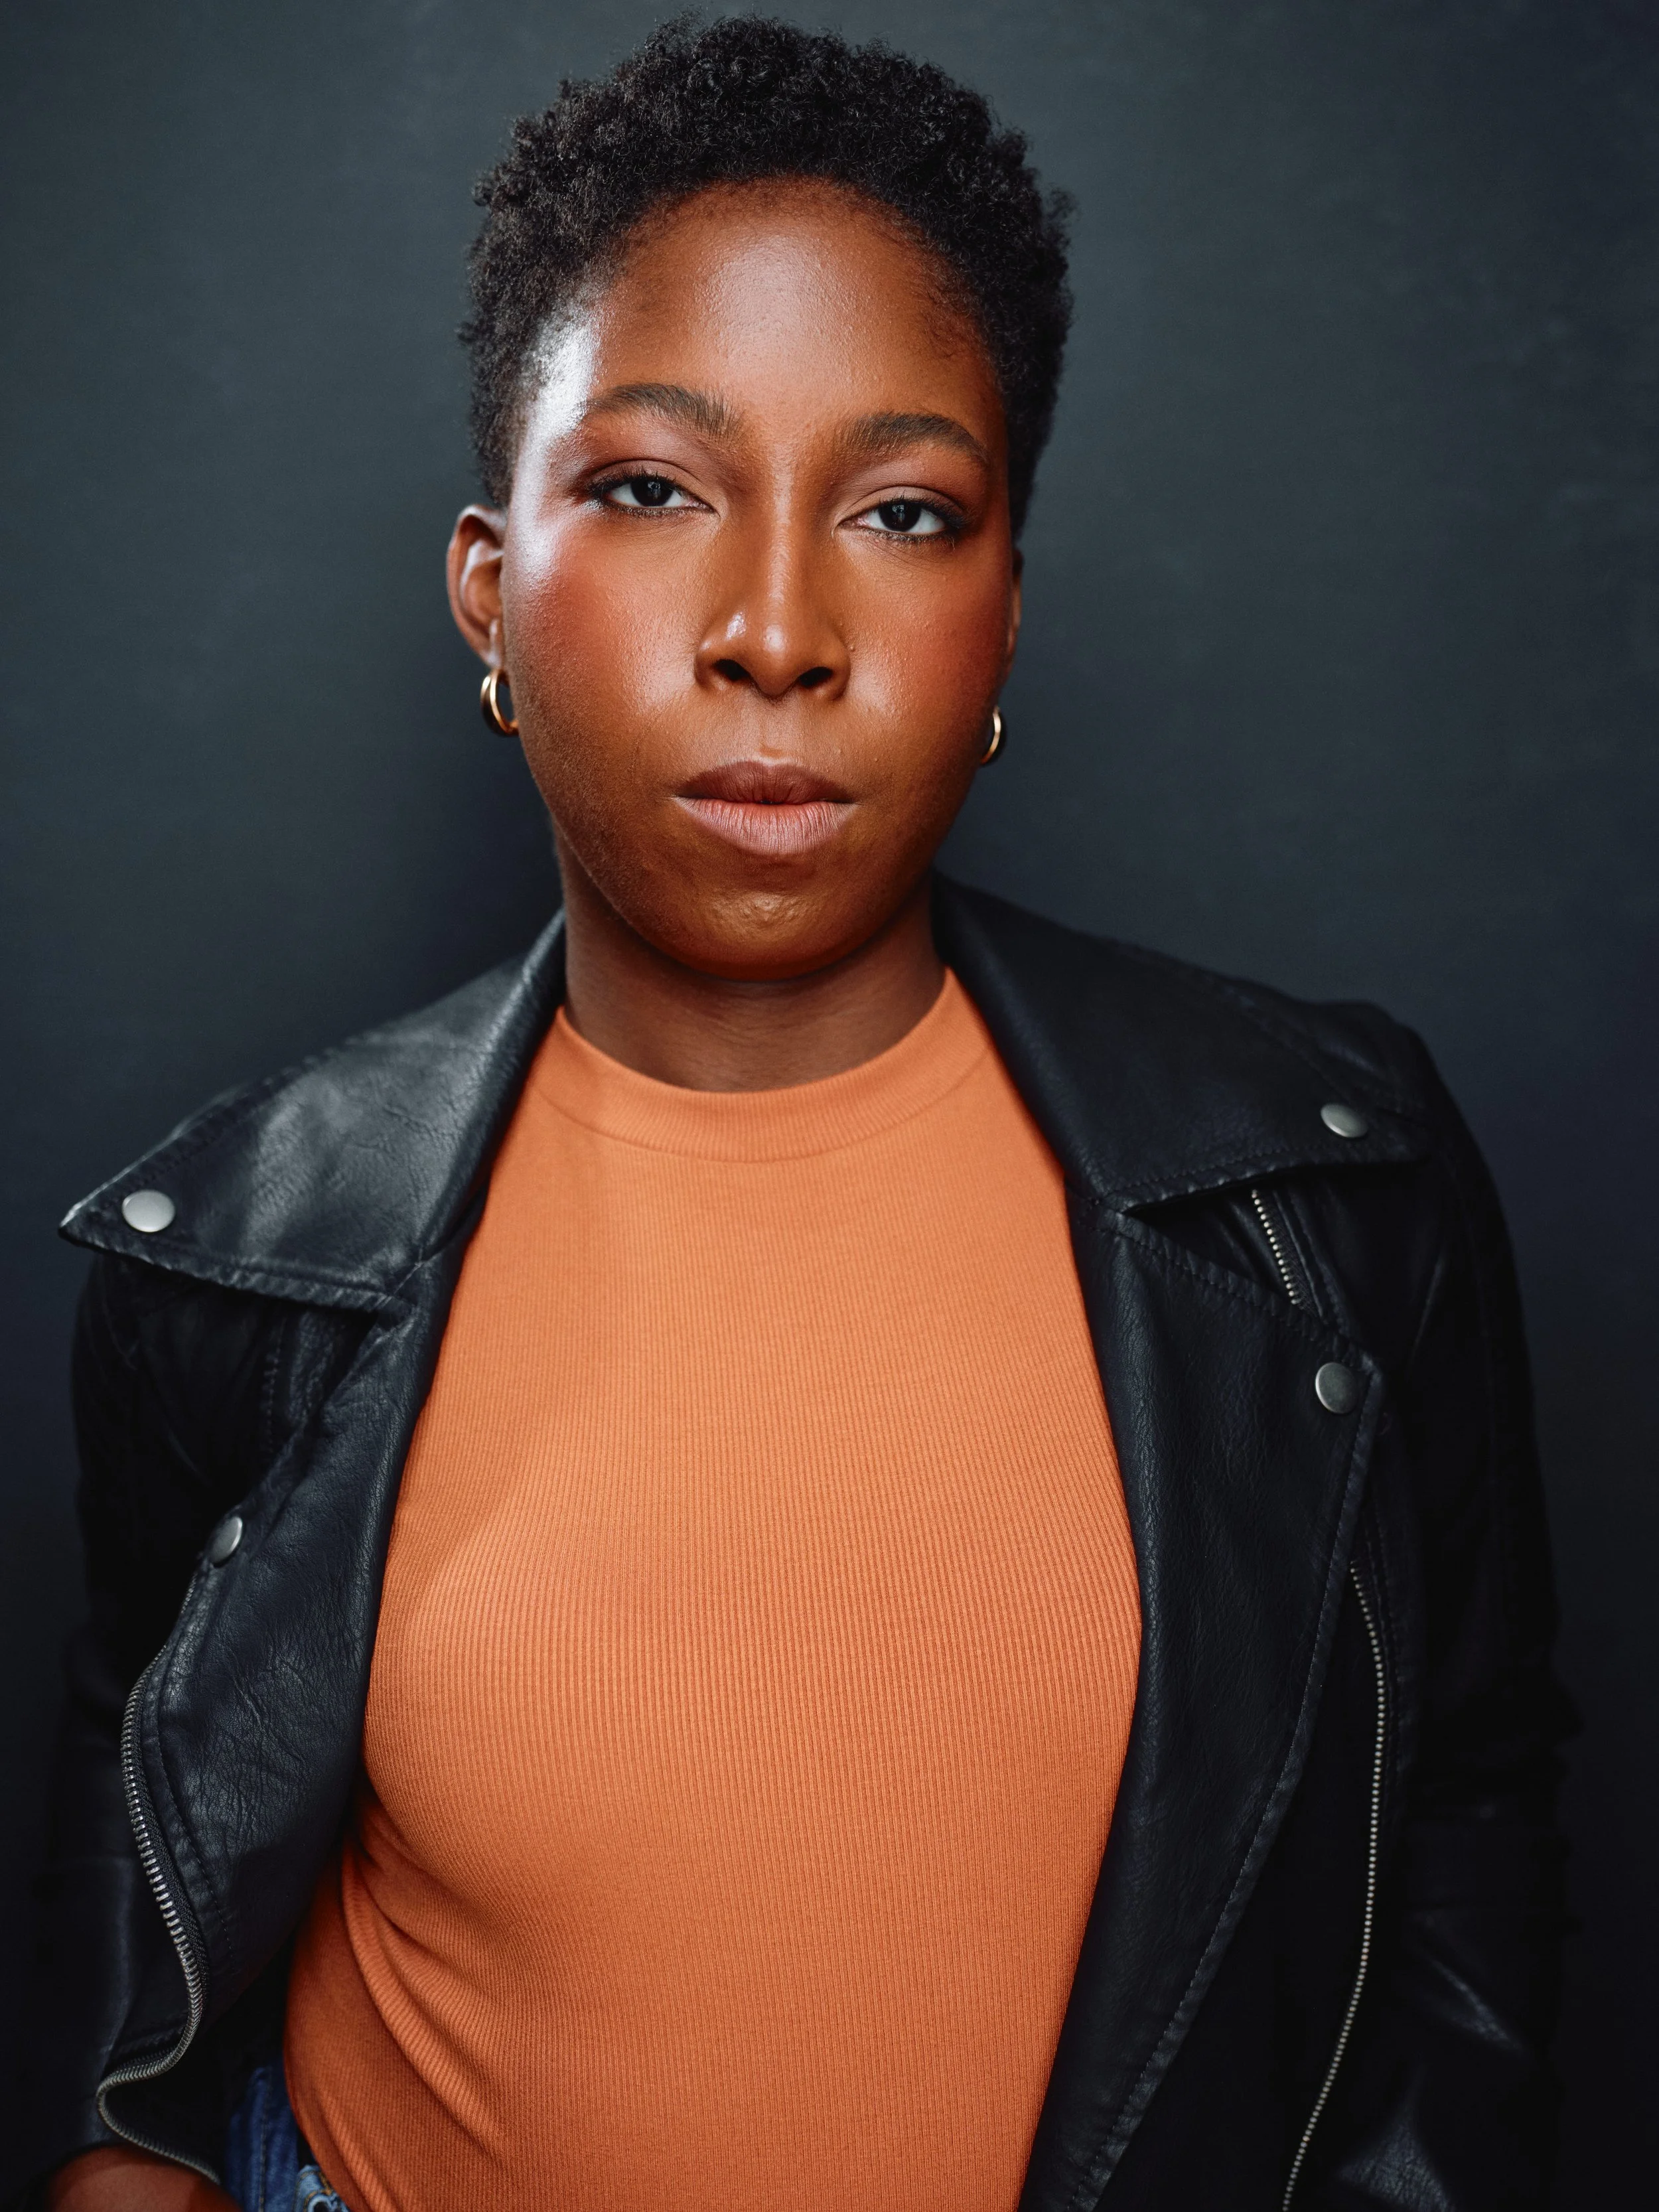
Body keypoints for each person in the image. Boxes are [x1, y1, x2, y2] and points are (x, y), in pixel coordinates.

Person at [20, 18, 1565, 2212]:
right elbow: (147, 1787)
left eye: (903, 512)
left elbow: (1463, 1804)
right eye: (650, 488)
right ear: (488, 587)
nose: (773, 627)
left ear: (1001, 610)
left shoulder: (1323, 1179)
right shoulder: (236, 1240)